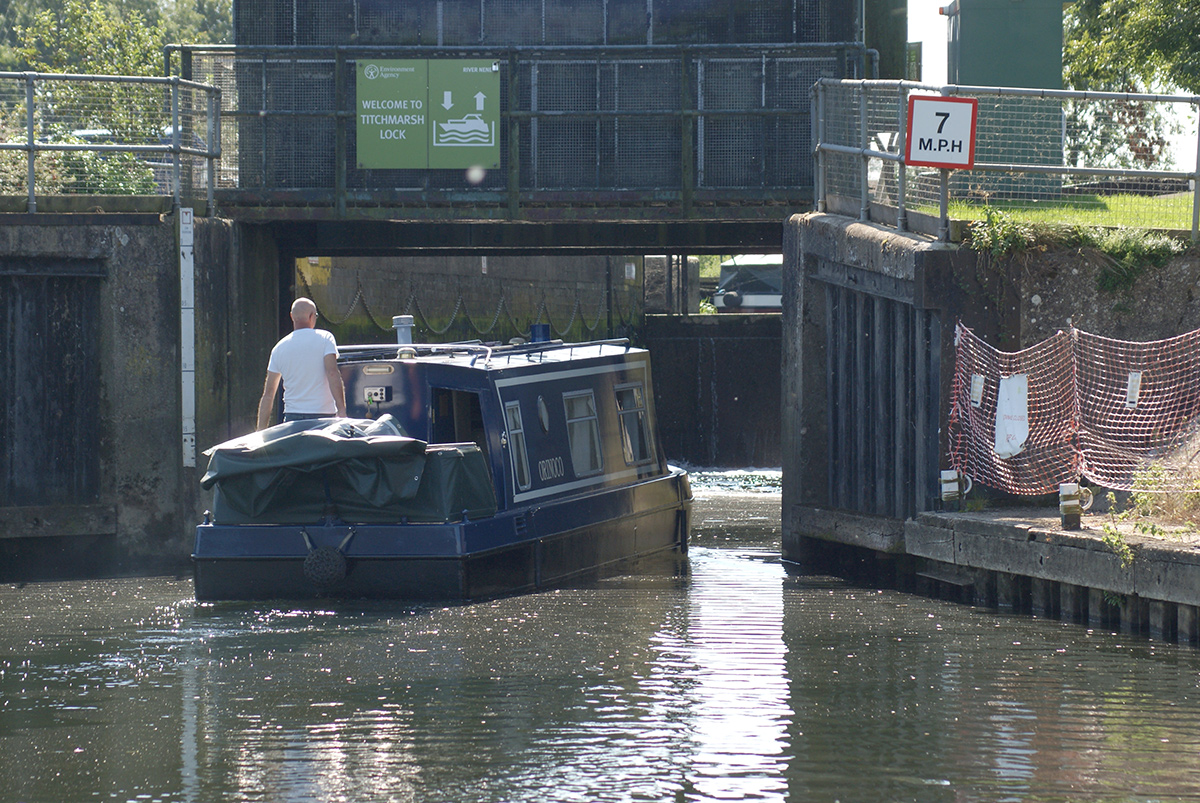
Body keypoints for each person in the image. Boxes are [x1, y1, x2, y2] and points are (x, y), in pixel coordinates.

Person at [256, 297, 347, 430]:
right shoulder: (325, 339)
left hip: (292, 418)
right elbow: (332, 373)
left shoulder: (279, 348)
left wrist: (260, 431)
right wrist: (342, 411)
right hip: (323, 416)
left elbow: (268, 394)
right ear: (311, 317)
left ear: (292, 317)